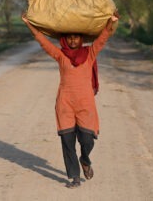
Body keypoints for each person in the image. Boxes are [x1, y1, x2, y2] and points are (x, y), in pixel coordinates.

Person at [22, 12, 119, 188]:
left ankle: (85, 158)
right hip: (65, 103)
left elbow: (103, 39)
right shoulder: (60, 55)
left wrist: (111, 22)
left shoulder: (89, 53)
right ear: (65, 40)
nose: (73, 41)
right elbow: (42, 41)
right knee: (67, 142)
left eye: (76, 38)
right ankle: (75, 177)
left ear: (81, 39)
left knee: (87, 140)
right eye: (70, 38)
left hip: (85, 104)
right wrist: (29, 23)